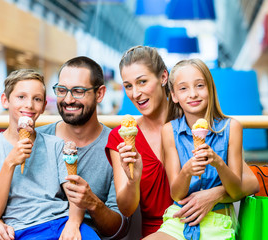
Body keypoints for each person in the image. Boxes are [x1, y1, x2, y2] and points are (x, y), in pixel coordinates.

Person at [105, 46, 259, 238]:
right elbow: (126, 210)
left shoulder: (196, 123)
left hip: (210, 224)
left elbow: (251, 182)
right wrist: (133, 180)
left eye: (142, 82)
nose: (135, 93)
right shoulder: (123, 136)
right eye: (128, 86)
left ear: (163, 78)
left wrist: (214, 194)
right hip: (165, 230)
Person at [0, 57, 127, 240]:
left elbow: (119, 228)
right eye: (62, 90)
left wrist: (92, 204)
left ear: (99, 94)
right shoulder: (33, 138)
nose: (68, 99)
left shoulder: (117, 147)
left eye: (78, 91)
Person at [149, 59, 244, 240]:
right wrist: (186, 171)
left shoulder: (232, 128)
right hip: (179, 219)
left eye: (200, 85)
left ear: (210, 89)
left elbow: (237, 192)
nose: (193, 94)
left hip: (219, 221)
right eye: (183, 88)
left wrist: (218, 163)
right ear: (174, 96)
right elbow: (176, 194)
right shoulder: (169, 131)